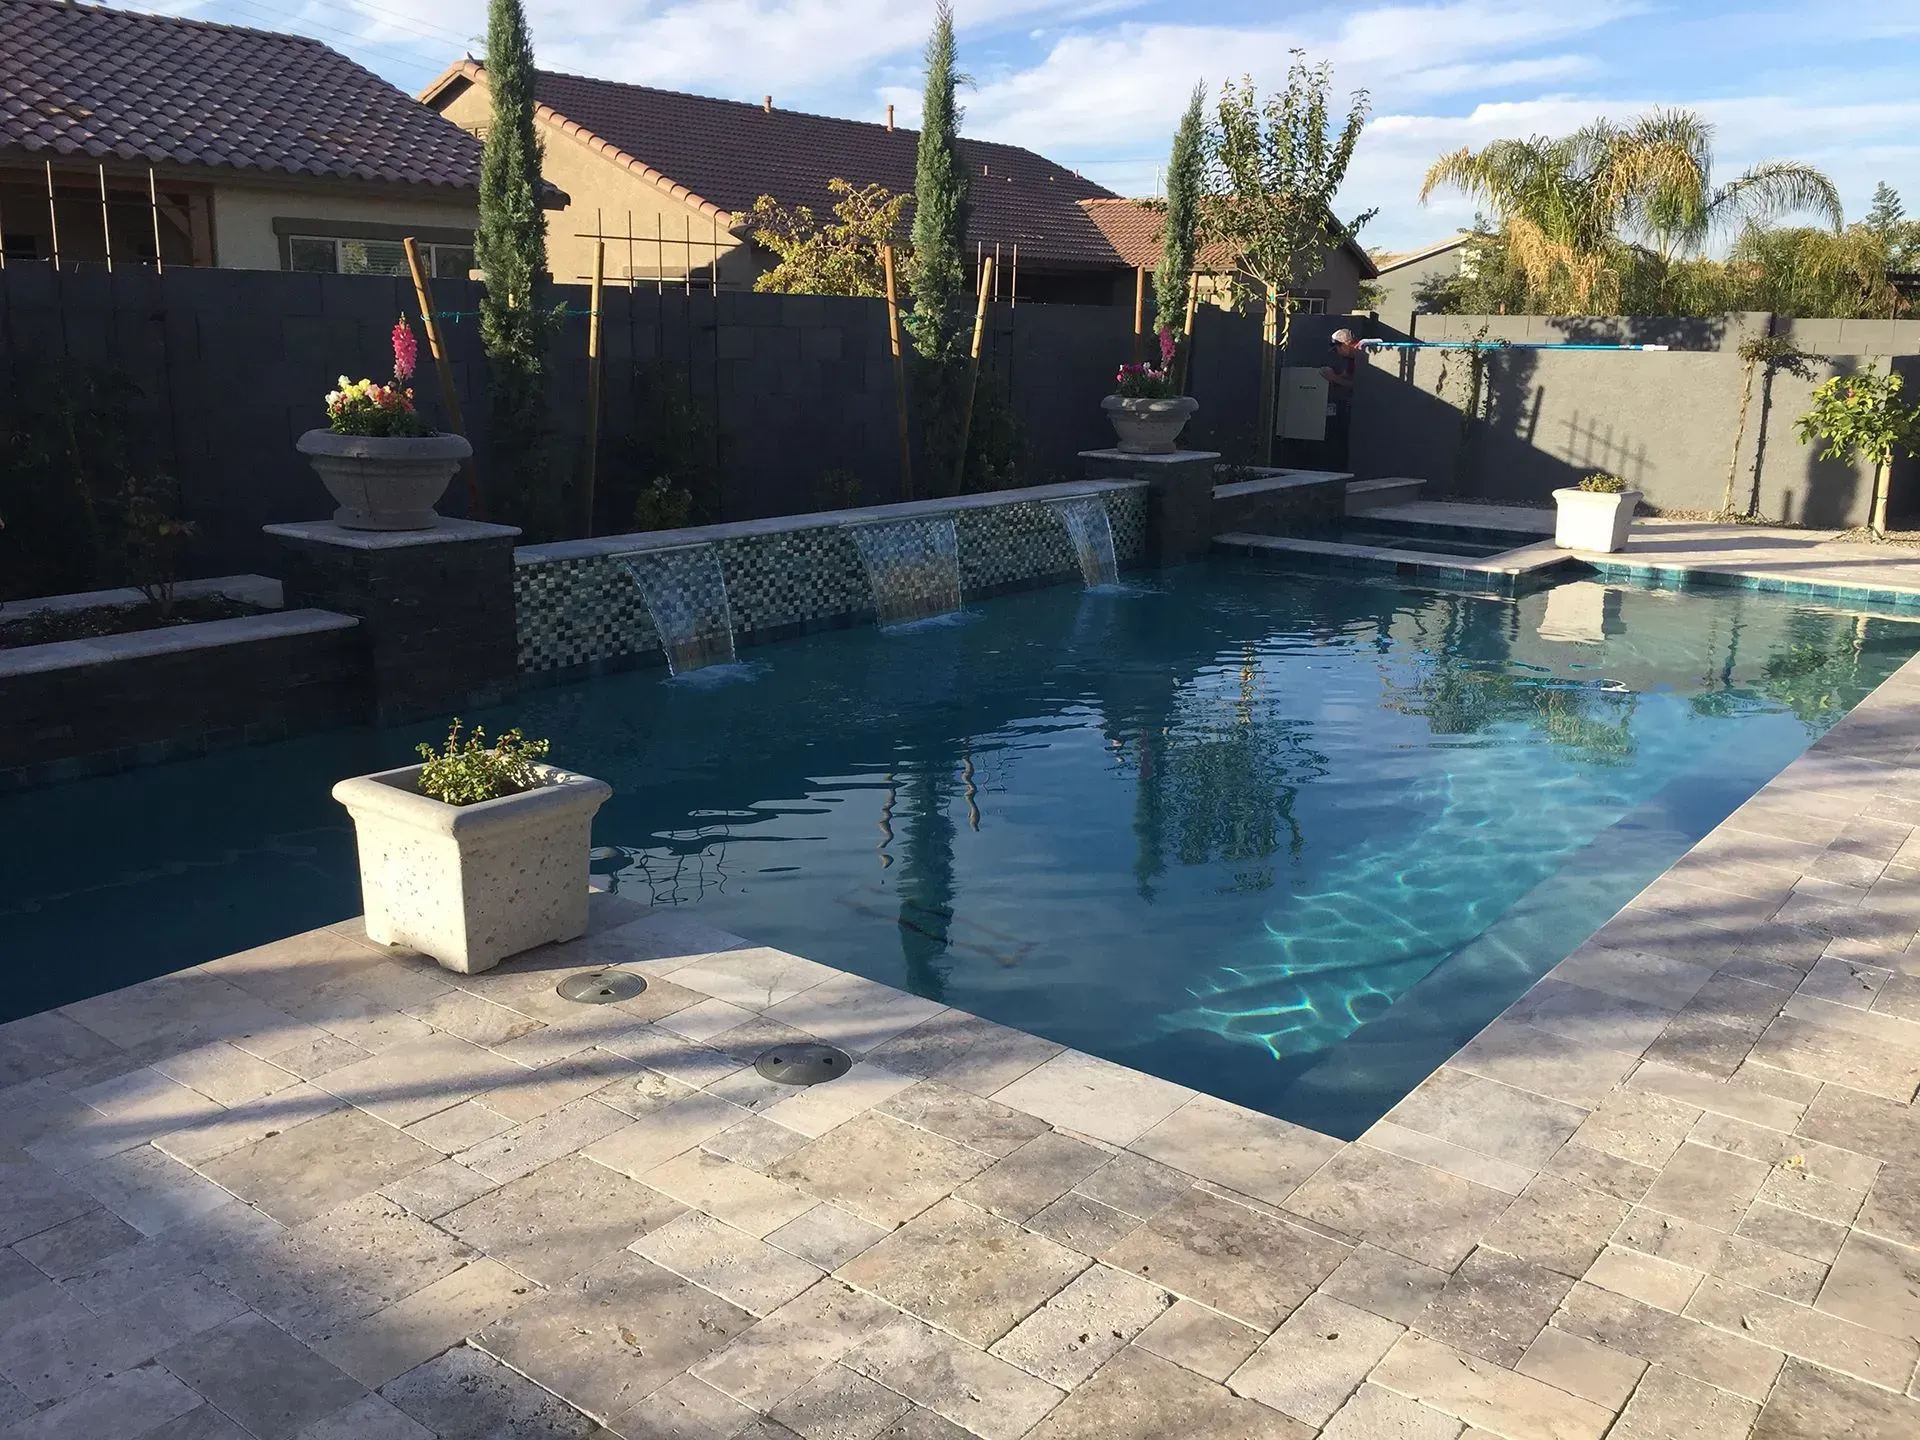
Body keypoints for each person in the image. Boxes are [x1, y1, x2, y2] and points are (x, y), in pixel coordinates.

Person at [1320, 328, 1365, 468]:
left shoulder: (1363, 354)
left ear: (1346, 344)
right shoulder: (1351, 359)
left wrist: (1333, 378)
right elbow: (1350, 378)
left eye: (1337, 349)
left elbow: (1358, 385)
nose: (1337, 353)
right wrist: (1336, 376)